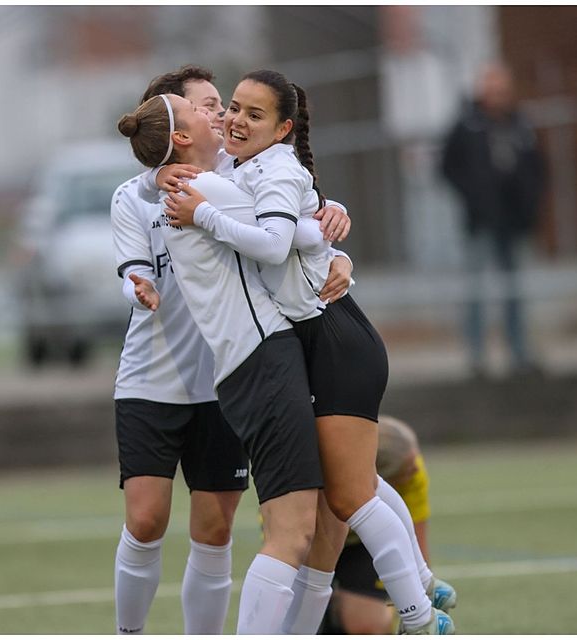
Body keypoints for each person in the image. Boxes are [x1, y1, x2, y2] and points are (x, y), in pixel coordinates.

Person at [161, 69, 454, 634]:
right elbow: (290, 226)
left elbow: (272, 240)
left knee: (351, 494)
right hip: (316, 339)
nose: (232, 118)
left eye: (250, 112)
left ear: (284, 127)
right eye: (226, 108)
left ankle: (421, 610)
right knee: (350, 488)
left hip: (336, 338)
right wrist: (323, 229)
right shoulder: (239, 170)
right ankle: (420, 590)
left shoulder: (263, 170)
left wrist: (205, 214)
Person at [112, 65, 353, 635]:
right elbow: (133, 264)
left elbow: (288, 232)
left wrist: (339, 241)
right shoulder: (136, 195)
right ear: (175, 127)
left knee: (216, 528)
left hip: (224, 377)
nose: (222, 114)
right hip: (152, 376)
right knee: (146, 521)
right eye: (207, 106)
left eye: (224, 105)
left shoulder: (241, 176)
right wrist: (137, 283)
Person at [441, 61, 545, 378]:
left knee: (514, 290)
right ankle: (477, 357)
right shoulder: (466, 125)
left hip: (514, 221)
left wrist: (530, 201)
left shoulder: (520, 124)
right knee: (477, 289)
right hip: (481, 221)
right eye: (492, 89)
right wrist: (473, 195)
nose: (497, 96)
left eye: (502, 90)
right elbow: (448, 166)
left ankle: (519, 352)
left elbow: (538, 167)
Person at [320, 415, 438, 635]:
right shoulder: (321, 475)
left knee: (369, 626)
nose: (416, 470)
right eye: (407, 468)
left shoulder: (415, 473)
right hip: (321, 537)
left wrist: (423, 602)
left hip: (366, 543)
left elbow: (417, 546)